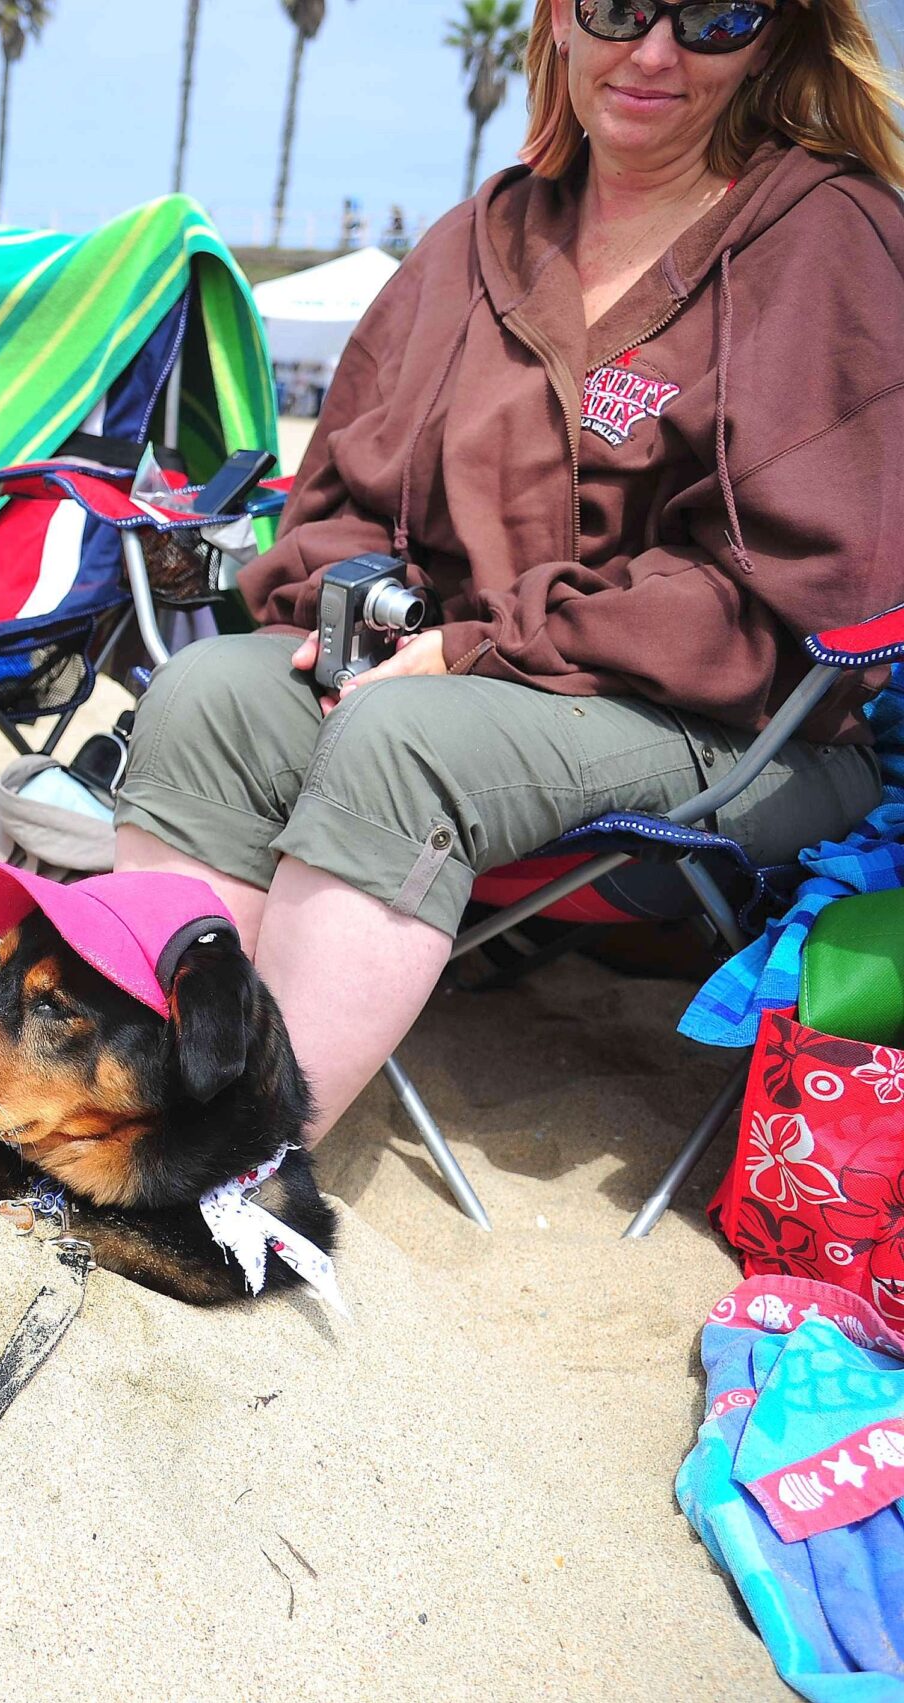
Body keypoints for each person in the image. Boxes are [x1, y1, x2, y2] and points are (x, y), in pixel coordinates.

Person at [111, 0, 904, 1142]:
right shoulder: (479, 239)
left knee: (405, 743)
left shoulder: (830, 234)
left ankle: (233, 1164)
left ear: (775, 38)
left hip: (745, 723)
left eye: (715, 16)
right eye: (619, 6)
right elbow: (337, 499)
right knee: (211, 697)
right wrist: (368, 619)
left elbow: (796, 599)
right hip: (472, 683)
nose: (652, 52)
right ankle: (136, 1093)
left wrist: (473, 651)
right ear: (557, 21)